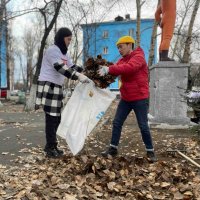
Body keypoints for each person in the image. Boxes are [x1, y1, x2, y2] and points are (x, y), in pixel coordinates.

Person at [98, 35, 157, 162]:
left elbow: (130, 68)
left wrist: (109, 69)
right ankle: (113, 149)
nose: (119, 50)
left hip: (140, 97)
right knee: (117, 122)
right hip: (126, 98)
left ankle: (150, 151)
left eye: (121, 47)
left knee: (143, 125)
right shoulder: (122, 60)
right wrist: (98, 75)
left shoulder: (138, 57)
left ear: (129, 45)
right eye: (118, 48)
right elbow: (114, 70)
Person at [35, 27, 90, 158]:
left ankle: (53, 145)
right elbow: (60, 67)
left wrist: (86, 71)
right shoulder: (52, 50)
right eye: (68, 39)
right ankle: (50, 148)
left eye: (71, 39)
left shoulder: (64, 54)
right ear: (61, 38)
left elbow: (71, 67)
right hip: (48, 85)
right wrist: (78, 76)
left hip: (57, 86)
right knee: (51, 118)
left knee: (57, 118)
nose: (70, 42)